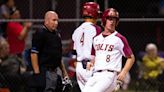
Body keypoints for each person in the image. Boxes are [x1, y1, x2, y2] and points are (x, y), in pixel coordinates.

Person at [83, 8, 135, 92]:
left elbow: (131, 57)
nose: (112, 22)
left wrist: (123, 72)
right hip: (95, 74)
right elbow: (94, 57)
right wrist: (90, 63)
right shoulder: (96, 39)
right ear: (104, 20)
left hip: (109, 75)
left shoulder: (119, 38)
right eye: (110, 19)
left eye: (115, 19)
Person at [30, 11, 68, 92]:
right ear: (46, 21)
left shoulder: (57, 35)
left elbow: (58, 55)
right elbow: (34, 53)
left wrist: (64, 72)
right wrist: (37, 74)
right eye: (54, 20)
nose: (56, 23)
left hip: (55, 71)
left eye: (57, 20)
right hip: (44, 71)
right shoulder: (40, 33)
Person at [72, 2, 101, 91]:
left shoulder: (77, 30)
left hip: (79, 67)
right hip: (91, 66)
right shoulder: (96, 29)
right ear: (94, 13)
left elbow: (74, 52)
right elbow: (98, 48)